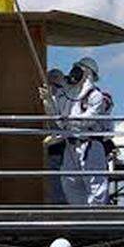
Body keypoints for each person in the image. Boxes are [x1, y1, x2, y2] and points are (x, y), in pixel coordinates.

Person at [60, 58, 113, 208]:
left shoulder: (95, 96)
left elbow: (89, 120)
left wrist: (69, 121)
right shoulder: (68, 96)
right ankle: (80, 215)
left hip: (90, 145)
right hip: (71, 145)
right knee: (70, 182)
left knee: (96, 184)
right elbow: (59, 119)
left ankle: (95, 216)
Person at [44, 69, 71, 205]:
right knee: (55, 180)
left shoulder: (66, 98)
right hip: (55, 146)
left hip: (66, 144)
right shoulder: (50, 99)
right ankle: (58, 205)